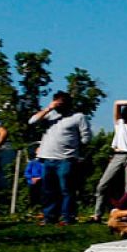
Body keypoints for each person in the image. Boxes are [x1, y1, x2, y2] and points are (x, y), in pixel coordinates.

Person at [29, 91, 90, 226]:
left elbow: (86, 137)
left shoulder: (78, 117)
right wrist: (48, 109)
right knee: (48, 189)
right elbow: (32, 121)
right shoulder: (50, 115)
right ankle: (49, 217)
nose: (59, 105)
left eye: (61, 102)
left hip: (66, 158)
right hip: (47, 158)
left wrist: (78, 153)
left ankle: (68, 217)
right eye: (56, 102)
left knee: (66, 189)